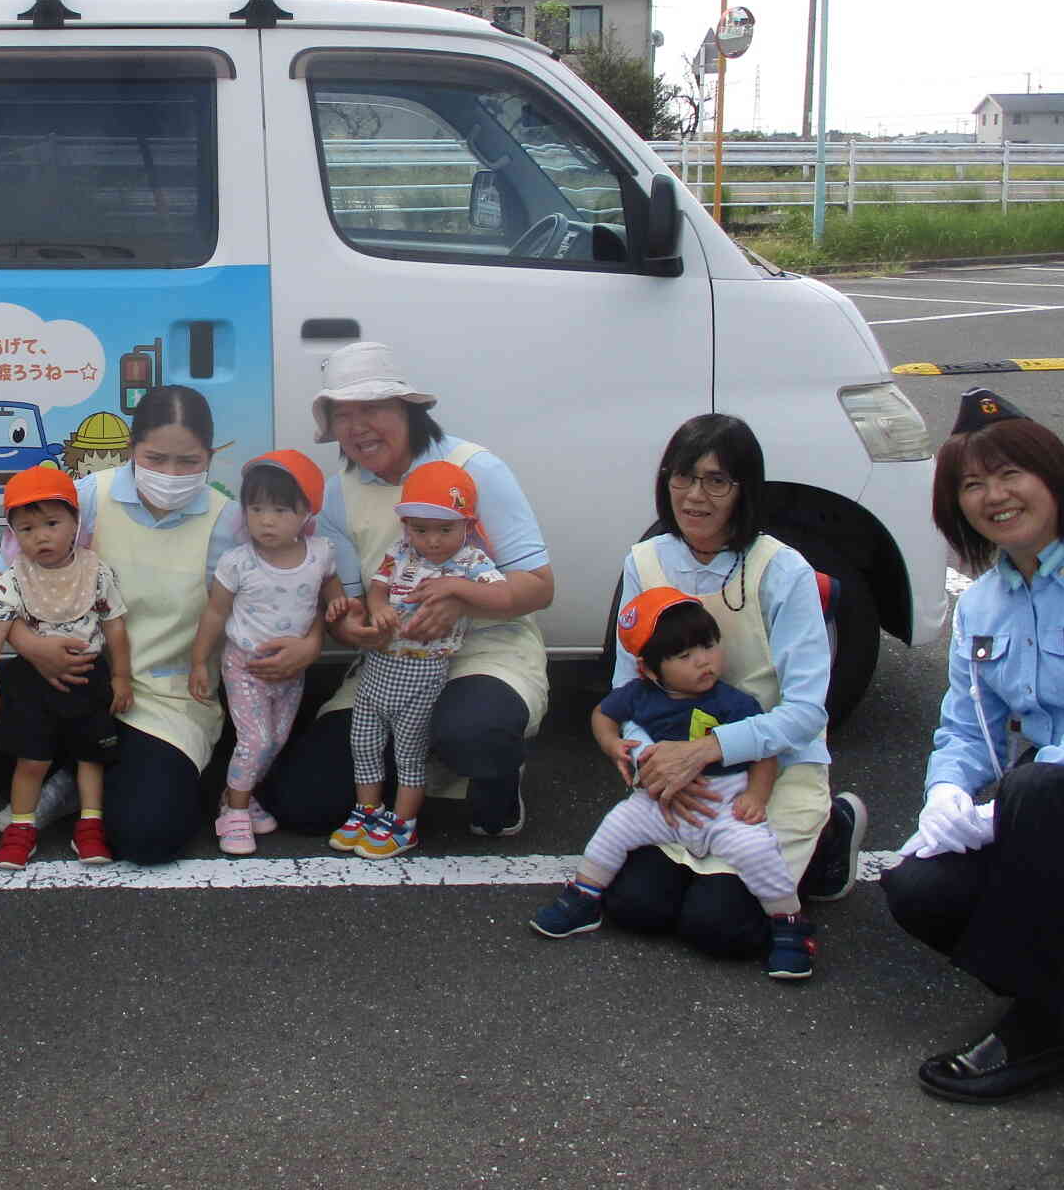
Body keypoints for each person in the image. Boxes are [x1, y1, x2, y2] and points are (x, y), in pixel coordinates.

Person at [880, 388, 1064, 1103]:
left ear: (1053, 475)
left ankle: (1038, 1028)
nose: (994, 495)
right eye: (972, 484)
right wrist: (946, 796)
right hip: (1055, 808)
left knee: (1038, 787)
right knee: (916, 886)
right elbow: (965, 728)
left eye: (1011, 472)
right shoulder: (982, 603)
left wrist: (1003, 813)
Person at [0, 386, 295, 865]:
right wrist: (29, 646)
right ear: (131, 449)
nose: (170, 474)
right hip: (71, 680)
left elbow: (269, 597)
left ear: (211, 456)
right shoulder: (86, 497)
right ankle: (59, 777)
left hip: (168, 703)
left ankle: (92, 782)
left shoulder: (228, 521)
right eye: (156, 458)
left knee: (149, 839)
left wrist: (308, 639)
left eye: (188, 461)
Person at [600, 413, 863, 962]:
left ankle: (830, 834)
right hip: (682, 767)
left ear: (745, 490)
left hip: (771, 769)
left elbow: (808, 713)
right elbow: (628, 685)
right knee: (635, 908)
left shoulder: (782, 570)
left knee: (719, 928)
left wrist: (707, 749)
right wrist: (651, 757)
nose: (695, 496)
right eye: (682, 476)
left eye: (717, 481)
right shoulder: (645, 562)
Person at [263, 342, 553, 840]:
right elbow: (348, 603)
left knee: (475, 733)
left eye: (373, 408)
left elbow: (539, 587)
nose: (357, 427)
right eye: (342, 414)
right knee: (303, 804)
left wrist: (460, 594)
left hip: (485, 649)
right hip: (392, 662)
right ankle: (424, 760)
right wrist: (353, 627)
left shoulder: (474, 468)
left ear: (409, 409)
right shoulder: (337, 494)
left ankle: (491, 774)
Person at [532, 588, 816, 979]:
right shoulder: (638, 695)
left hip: (722, 805)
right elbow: (602, 715)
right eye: (684, 656)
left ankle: (788, 923)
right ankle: (584, 894)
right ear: (649, 670)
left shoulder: (734, 703)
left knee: (758, 852)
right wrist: (612, 744)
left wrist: (756, 795)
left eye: (710, 646)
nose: (705, 661)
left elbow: (765, 753)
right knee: (615, 828)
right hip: (659, 803)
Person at [323, 460, 507, 860]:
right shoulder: (400, 551)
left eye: (446, 529)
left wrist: (459, 591)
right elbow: (377, 589)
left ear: (467, 524)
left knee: (409, 753)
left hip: (423, 674)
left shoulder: (472, 562)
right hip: (377, 667)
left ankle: (404, 824)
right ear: (407, 526)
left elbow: (503, 596)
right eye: (420, 529)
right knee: (364, 743)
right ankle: (367, 811)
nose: (433, 541)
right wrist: (377, 610)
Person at [0, 464, 132, 870]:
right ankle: (22, 827)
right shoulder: (12, 580)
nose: (41, 536)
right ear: (12, 535)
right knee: (31, 758)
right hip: (32, 683)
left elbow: (114, 627)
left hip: (89, 677)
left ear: (76, 521)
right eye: (26, 529)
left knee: (90, 756)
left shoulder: (96, 571)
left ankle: (91, 825)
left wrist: (120, 676)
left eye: (51, 523)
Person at [187, 451, 345, 856]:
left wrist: (340, 604)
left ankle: (239, 794)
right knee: (255, 739)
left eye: (279, 509)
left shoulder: (320, 552)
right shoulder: (238, 562)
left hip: (292, 672)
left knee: (275, 739)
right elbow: (215, 612)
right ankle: (234, 811)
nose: (266, 520)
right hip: (245, 667)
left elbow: (330, 586)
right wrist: (199, 662)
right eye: (255, 509)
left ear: (306, 511)